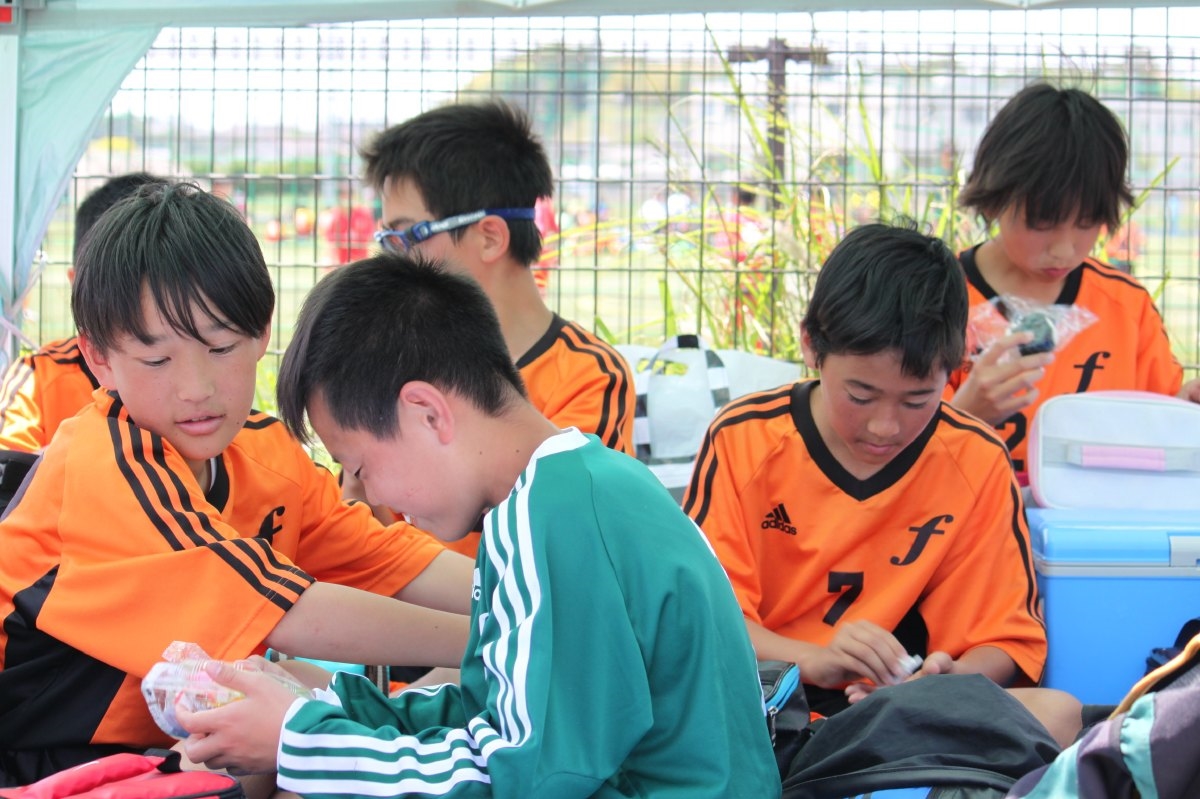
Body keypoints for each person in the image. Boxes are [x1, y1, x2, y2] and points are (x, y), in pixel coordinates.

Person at [176, 254, 781, 798]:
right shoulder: (580, 486)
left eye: (359, 467)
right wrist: (317, 706)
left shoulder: (548, 516)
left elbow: (519, 778)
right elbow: (491, 713)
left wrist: (301, 743)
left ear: (427, 412)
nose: (367, 495)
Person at [0, 183, 475, 786]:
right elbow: (286, 614)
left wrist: (523, 595)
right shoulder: (104, 462)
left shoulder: (266, 452)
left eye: (221, 347)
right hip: (35, 758)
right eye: (157, 360)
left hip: (156, 746)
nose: (196, 388)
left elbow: (392, 561)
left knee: (300, 701)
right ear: (97, 359)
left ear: (263, 333)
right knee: (283, 733)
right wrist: (495, 638)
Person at [681, 222, 1079, 747]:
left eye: (917, 400)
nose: (885, 426)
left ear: (955, 365)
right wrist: (816, 662)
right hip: (770, 705)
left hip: (906, 715)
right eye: (861, 396)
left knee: (1061, 713)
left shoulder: (975, 458)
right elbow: (708, 623)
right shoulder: (744, 438)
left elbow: (1005, 640)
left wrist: (944, 680)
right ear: (811, 346)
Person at [353, 100, 636, 556]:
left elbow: (555, 543)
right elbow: (358, 524)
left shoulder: (587, 378)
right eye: (387, 240)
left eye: (409, 237)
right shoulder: (394, 364)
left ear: (489, 237)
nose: (392, 260)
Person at [948, 83, 1200, 477]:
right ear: (994, 199)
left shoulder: (1125, 308)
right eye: (1042, 223)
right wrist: (965, 413)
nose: (1064, 250)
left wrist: (1185, 410)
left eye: (1087, 223)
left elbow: (1160, 425)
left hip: (1092, 514)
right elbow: (890, 453)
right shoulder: (939, 299)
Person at [0, 172, 165, 453]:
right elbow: (8, 468)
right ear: (77, 284)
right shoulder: (37, 378)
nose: (140, 303)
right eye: (119, 282)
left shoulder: (206, 385)